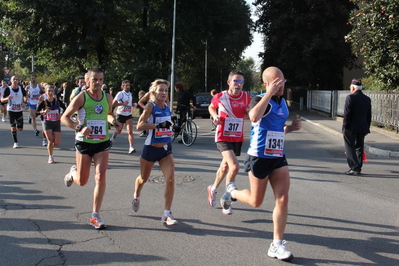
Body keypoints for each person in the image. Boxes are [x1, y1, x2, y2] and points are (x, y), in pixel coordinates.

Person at [221, 67, 300, 261]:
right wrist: (269, 94)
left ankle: (276, 244)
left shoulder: (282, 102)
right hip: (259, 156)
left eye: (282, 80)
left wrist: (290, 128)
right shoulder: (260, 99)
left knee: (283, 199)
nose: (280, 84)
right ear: (266, 83)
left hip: (278, 157)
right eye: (276, 81)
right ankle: (232, 192)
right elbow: (254, 116)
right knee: (256, 201)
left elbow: (276, 129)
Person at [61, 67, 122, 229]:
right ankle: (73, 172)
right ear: (87, 81)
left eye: (101, 79)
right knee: (82, 181)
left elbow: (108, 113)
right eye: (95, 79)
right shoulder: (81, 97)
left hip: (102, 141)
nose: (98, 82)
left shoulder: (107, 97)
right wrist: (78, 127)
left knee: (100, 177)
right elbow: (64, 117)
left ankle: (95, 215)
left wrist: (113, 121)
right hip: (84, 142)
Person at [132, 79, 178, 226]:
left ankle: (167, 214)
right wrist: (158, 125)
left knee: (170, 180)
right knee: (143, 179)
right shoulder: (150, 107)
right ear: (154, 92)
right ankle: (136, 196)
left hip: (166, 148)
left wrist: (171, 125)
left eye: (166, 90)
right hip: (151, 148)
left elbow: (167, 122)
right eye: (161, 90)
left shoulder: (167, 105)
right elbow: (139, 126)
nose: (164, 93)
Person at [207, 70, 251, 215]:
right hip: (222, 136)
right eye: (235, 81)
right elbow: (211, 107)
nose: (238, 84)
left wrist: (249, 113)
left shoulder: (246, 97)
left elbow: (248, 113)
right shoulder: (221, 96)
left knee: (225, 166)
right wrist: (215, 116)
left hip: (237, 136)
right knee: (235, 167)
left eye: (241, 82)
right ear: (229, 82)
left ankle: (213, 188)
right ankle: (226, 200)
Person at [343, 79, 371, 175]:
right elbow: (369, 115)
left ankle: (353, 167)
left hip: (351, 127)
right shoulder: (367, 99)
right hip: (363, 127)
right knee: (359, 147)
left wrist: (344, 127)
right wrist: (367, 127)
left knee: (349, 146)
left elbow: (347, 114)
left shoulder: (350, 98)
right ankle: (358, 167)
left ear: (353, 88)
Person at [36, 85, 67, 164]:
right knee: (50, 141)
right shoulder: (43, 102)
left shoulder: (58, 102)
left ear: (54, 92)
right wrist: (43, 112)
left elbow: (66, 109)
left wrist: (62, 115)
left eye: (52, 91)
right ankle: (50, 156)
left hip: (56, 123)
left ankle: (50, 147)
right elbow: (36, 112)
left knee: (57, 143)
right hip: (48, 123)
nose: (50, 93)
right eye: (49, 91)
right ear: (45, 92)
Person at [1, 76, 27, 148]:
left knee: (20, 129)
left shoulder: (21, 88)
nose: (15, 81)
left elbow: (25, 96)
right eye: (14, 79)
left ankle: (14, 131)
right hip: (11, 110)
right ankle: (15, 142)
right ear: (11, 81)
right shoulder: (8, 89)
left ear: (18, 81)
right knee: (13, 126)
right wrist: (7, 98)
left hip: (19, 110)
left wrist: (24, 102)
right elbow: (2, 100)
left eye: (17, 79)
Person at [111, 80, 136, 154]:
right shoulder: (120, 94)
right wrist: (122, 104)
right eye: (126, 85)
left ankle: (131, 147)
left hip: (128, 115)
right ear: (123, 86)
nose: (128, 87)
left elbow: (129, 103)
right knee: (119, 130)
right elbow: (113, 103)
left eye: (129, 85)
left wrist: (132, 106)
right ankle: (113, 136)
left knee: (130, 131)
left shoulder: (130, 94)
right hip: (120, 114)